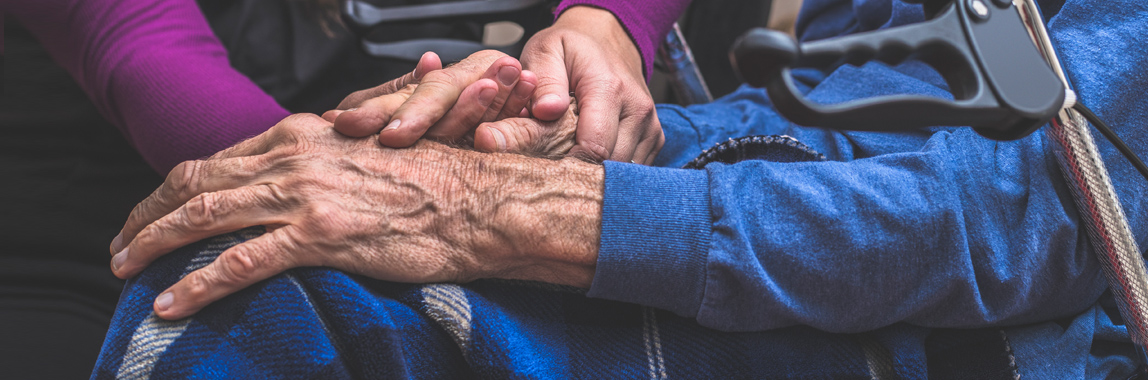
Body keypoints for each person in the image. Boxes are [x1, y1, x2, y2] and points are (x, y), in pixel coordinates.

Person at [98, 0, 1148, 378]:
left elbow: (1031, 219)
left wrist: (491, 198)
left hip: (1026, 317)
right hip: (821, 174)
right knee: (264, 251)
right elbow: (844, 100)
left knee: (274, 293)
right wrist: (440, 145)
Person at [0, 0, 685, 377]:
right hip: (109, 189)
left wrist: (608, 24)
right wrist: (397, 178)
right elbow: (133, 34)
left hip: (478, 156)